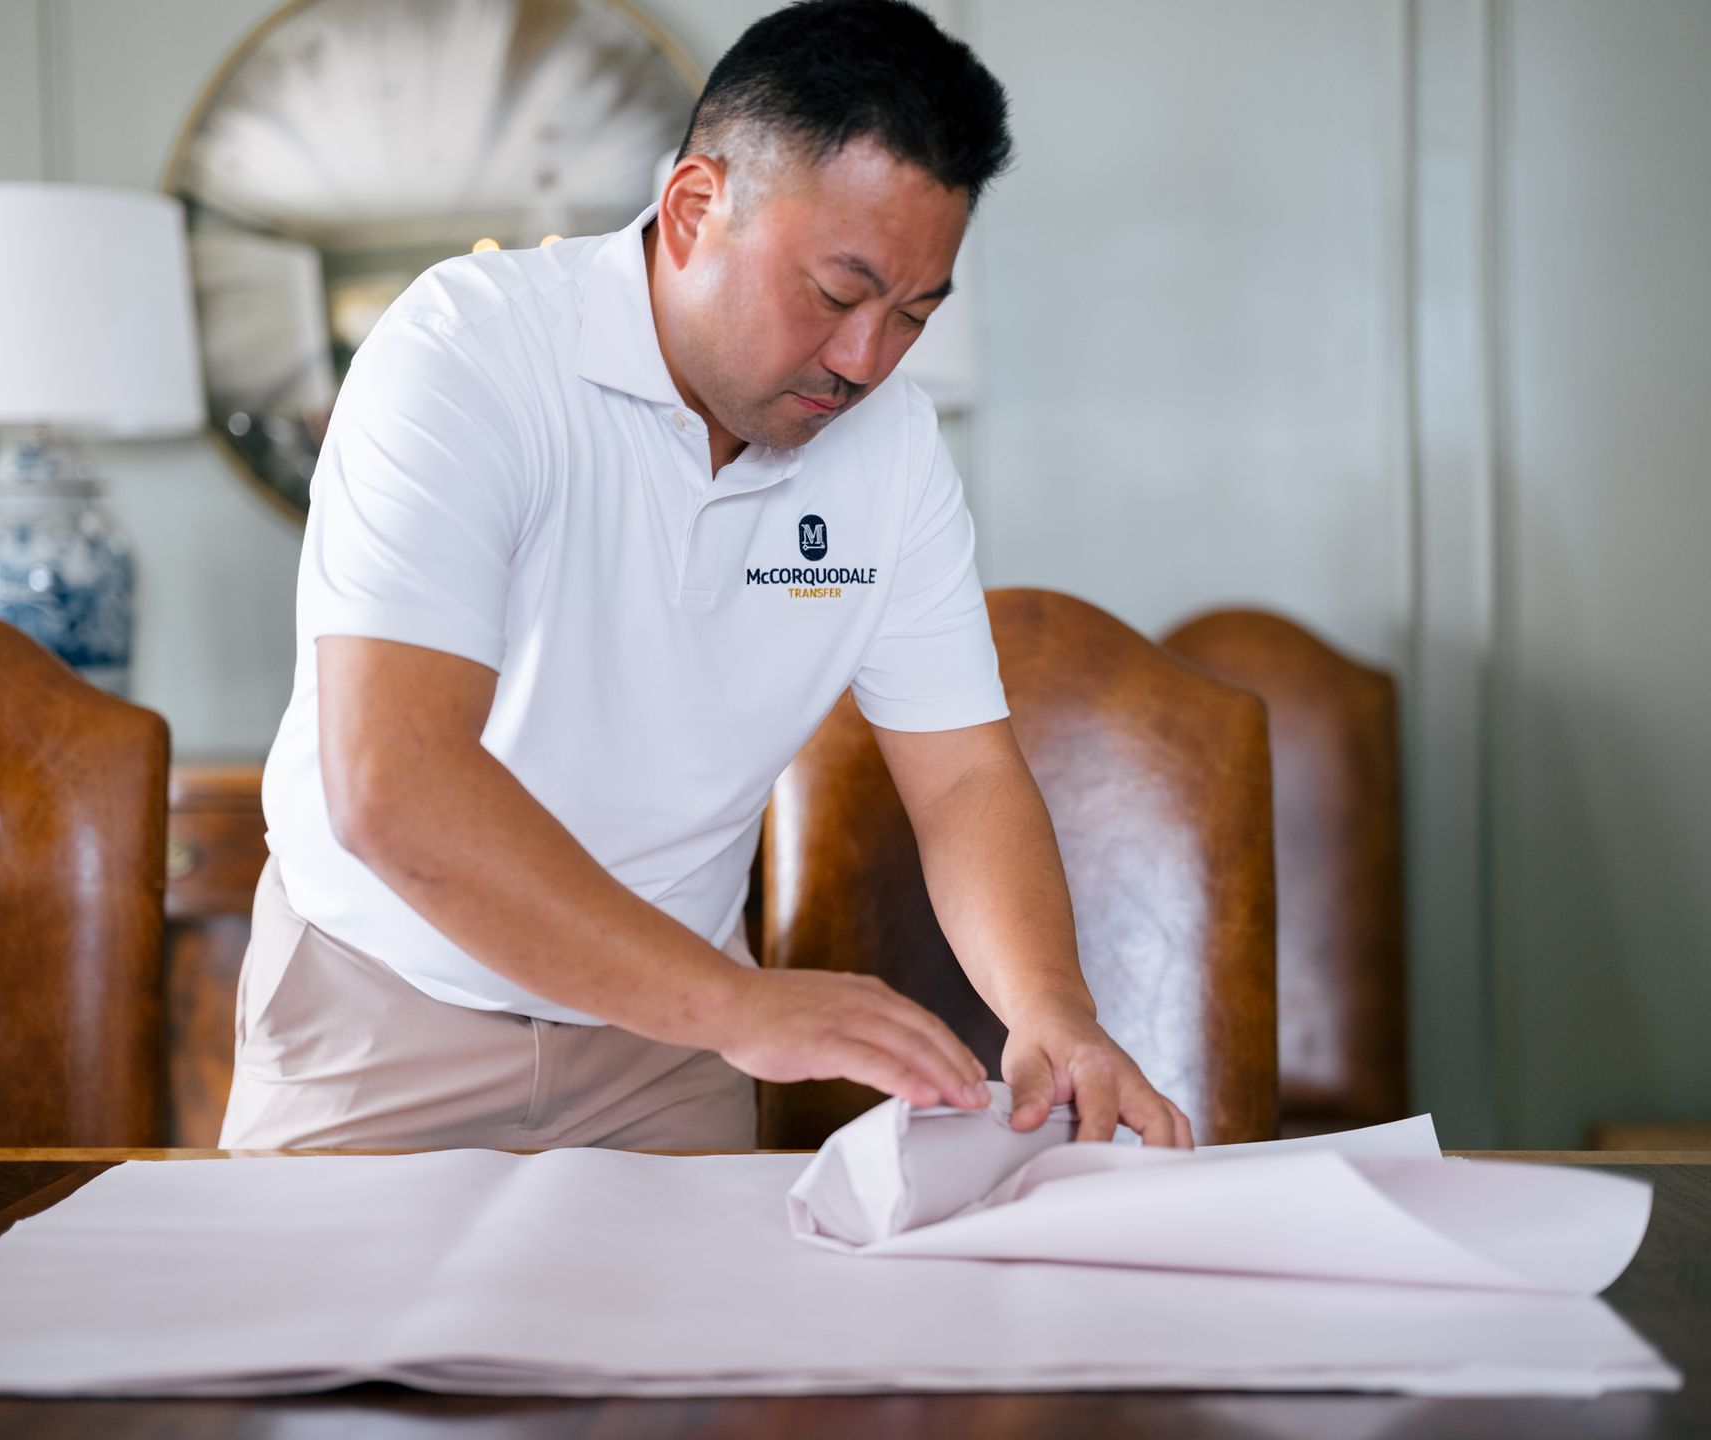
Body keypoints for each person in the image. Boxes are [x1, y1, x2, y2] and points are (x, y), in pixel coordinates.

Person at [218, 0, 1194, 1154]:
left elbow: (965, 778)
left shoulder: (892, 449)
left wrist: (1053, 1010)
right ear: (693, 209)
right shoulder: (465, 354)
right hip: (384, 1012)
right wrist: (738, 1007)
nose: (865, 361)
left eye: (912, 315)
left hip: (668, 1055)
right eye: (837, 295)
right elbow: (396, 785)